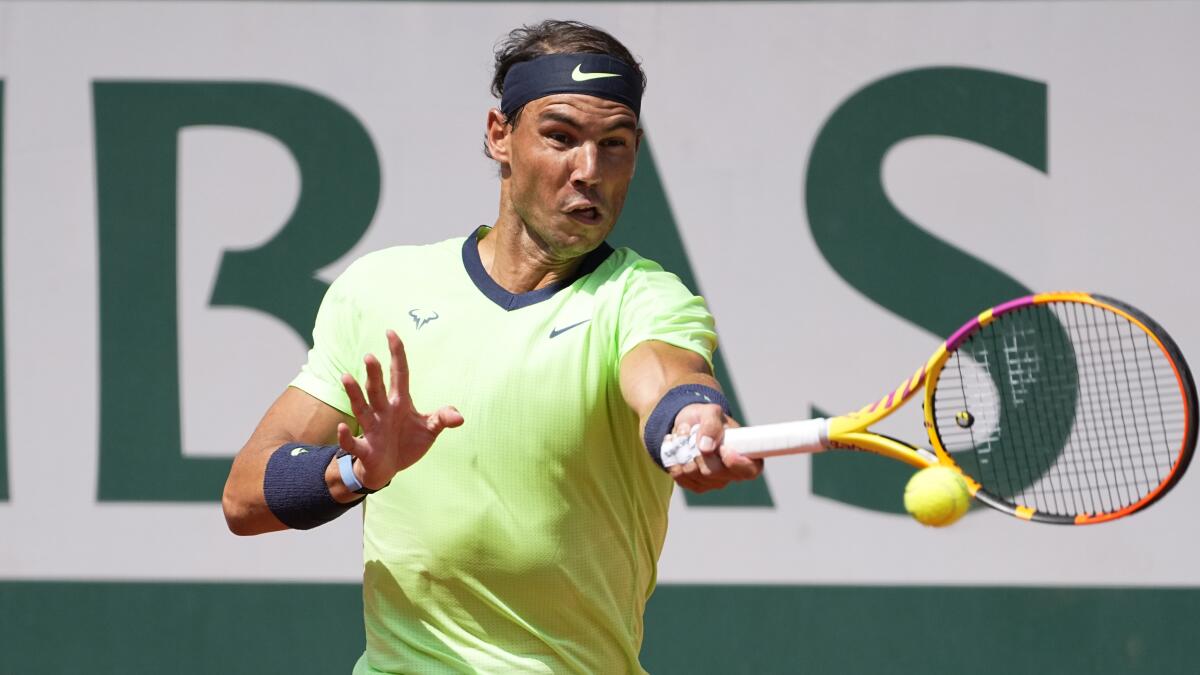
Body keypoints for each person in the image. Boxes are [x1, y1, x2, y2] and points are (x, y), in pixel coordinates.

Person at [222, 19, 762, 674]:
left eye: (614, 145)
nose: (589, 170)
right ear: (499, 135)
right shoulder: (380, 287)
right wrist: (359, 471)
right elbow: (244, 496)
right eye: (560, 137)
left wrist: (690, 417)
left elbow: (667, 377)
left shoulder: (643, 297)